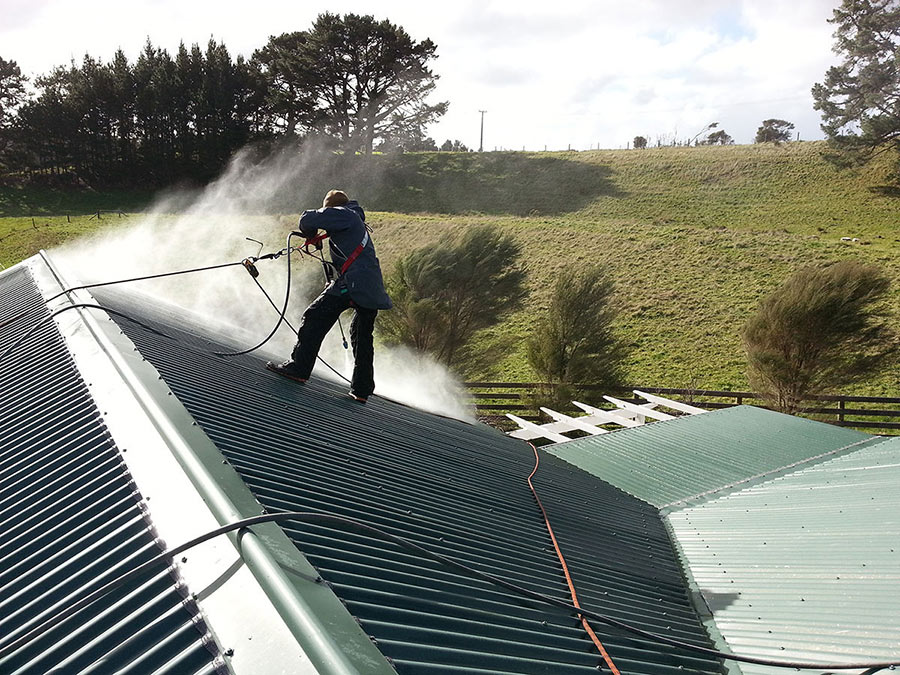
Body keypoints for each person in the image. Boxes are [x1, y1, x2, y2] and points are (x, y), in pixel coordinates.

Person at [267, 190, 392, 402]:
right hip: (371, 287)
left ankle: (299, 368)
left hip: (352, 284)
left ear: (331, 208)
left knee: (314, 316)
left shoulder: (343, 214)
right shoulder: (355, 220)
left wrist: (310, 233)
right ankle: (362, 390)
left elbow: (307, 218)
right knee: (361, 336)